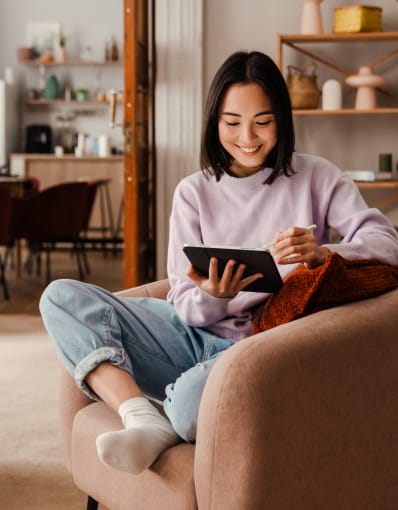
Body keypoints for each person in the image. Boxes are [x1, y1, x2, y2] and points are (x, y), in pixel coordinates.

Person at [39, 50, 398, 475]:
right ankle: (141, 413)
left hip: (260, 348)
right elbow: (184, 301)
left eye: (263, 121)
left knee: (193, 404)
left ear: (282, 119)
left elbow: (387, 243)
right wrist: (214, 296)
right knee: (60, 298)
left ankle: (169, 409)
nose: (248, 136)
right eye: (232, 123)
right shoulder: (193, 192)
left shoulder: (319, 177)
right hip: (188, 334)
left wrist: (325, 254)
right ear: (214, 123)